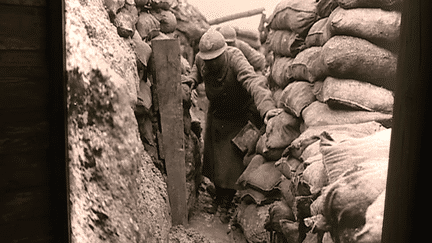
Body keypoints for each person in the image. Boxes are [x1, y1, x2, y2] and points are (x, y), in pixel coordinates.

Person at [184, 29, 283, 223]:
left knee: (232, 161)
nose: (210, 62)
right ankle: (218, 196)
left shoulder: (235, 57)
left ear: (224, 52)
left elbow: (254, 83)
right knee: (214, 160)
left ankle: (226, 203)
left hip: (239, 115)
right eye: (207, 58)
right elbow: (195, 74)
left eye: (215, 58)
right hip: (218, 114)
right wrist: (190, 82)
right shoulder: (200, 60)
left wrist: (267, 108)